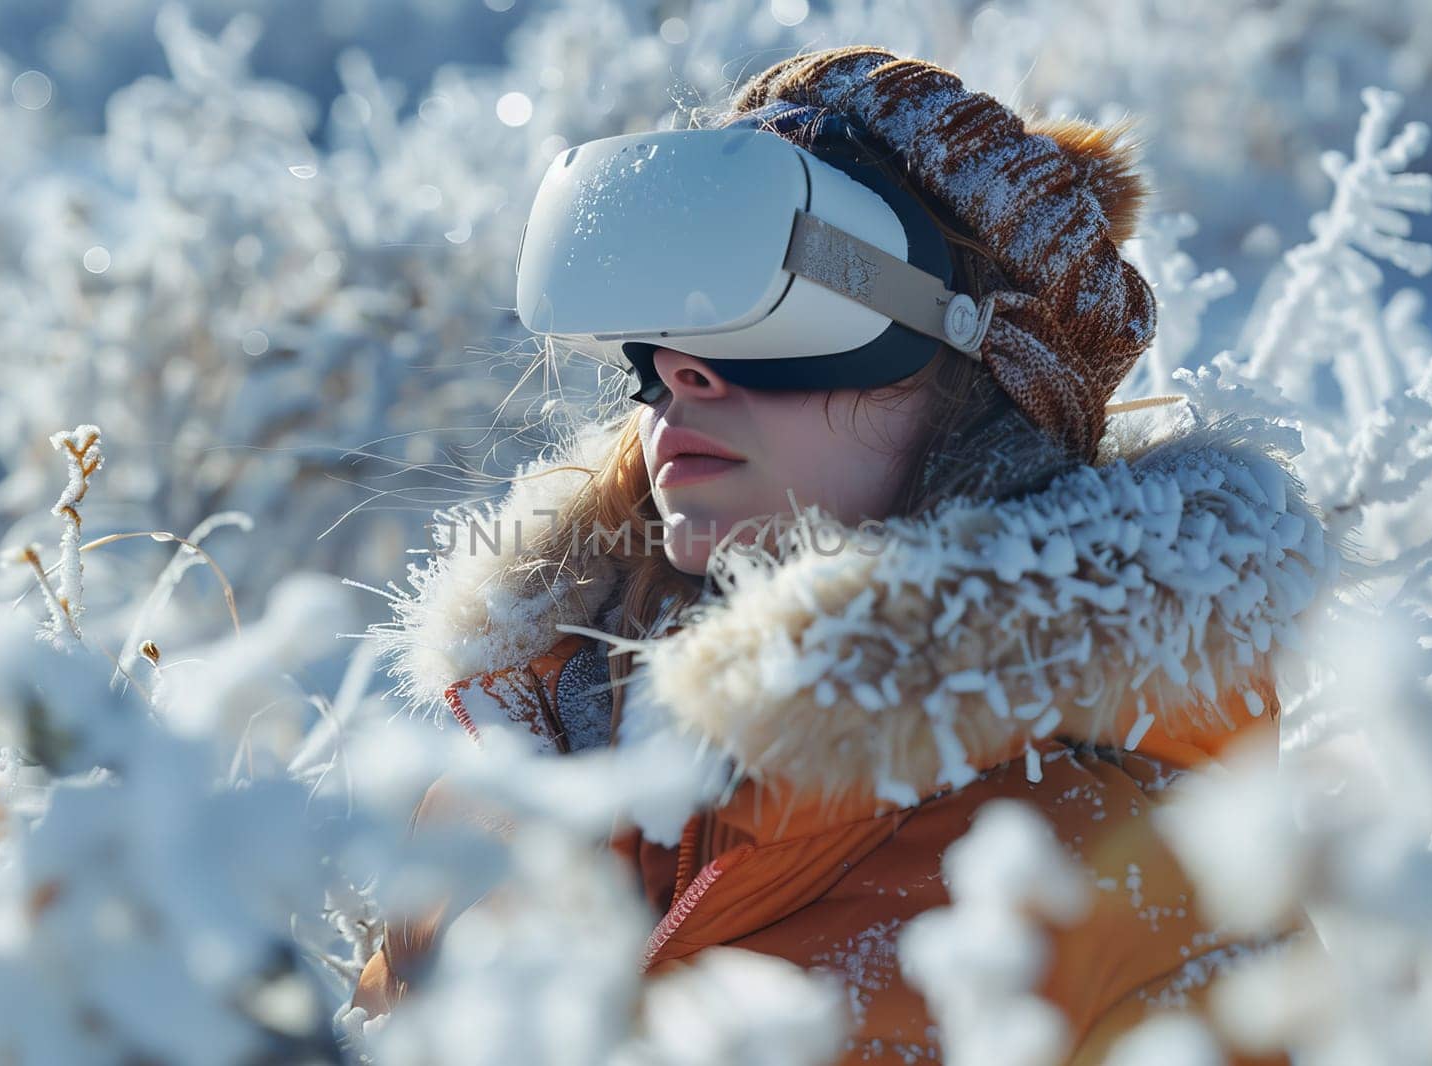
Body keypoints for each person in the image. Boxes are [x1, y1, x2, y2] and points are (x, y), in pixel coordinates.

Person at [354, 46, 1333, 1065]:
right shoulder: (512, 773)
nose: (679, 366)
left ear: (981, 391)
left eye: (785, 314)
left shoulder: (1106, 881)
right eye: (667, 312)